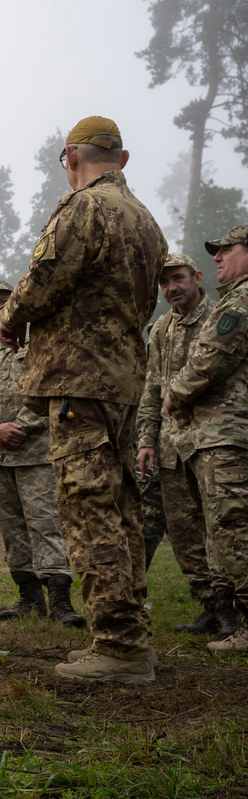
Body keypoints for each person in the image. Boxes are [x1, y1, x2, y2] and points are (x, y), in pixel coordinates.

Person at [0, 116, 167, 685]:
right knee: (120, 508)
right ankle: (132, 637)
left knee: (87, 508)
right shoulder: (147, 221)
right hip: (122, 383)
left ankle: (119, 648)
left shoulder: (84, 208)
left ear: (71, 157)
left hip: (80, 382)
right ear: (123, 158)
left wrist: (11, 319)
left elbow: (43, 279)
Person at [0, 279, 84, 627]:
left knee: (45, 524)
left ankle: (60, 600)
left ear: (18, 302)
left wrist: (20, 425)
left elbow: (55, 390)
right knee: (12, 529)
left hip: (37, 454)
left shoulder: (41, 344)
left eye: (4, 300)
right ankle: (30, 599)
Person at [137, 254, 237, 635]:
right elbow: (151, 389)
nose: (171, 288)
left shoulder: (219, 318)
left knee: (219, 527)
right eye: (164, 283)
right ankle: (210, 606)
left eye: (178, 278)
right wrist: (146, 440)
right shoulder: (161, 329)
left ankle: (231, 610)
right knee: (184, 533)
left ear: (197, 276)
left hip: (211, 440)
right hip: (169, 448)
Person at [165, 225, 248, 653]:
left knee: (233, 527)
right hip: (214, 431)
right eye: (215, 252)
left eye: (226, 250)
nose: (218, 257)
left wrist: (177, 394)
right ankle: (226, 613)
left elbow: (210, 356)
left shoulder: (241, 301)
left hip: (227, 431)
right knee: (222, 527)